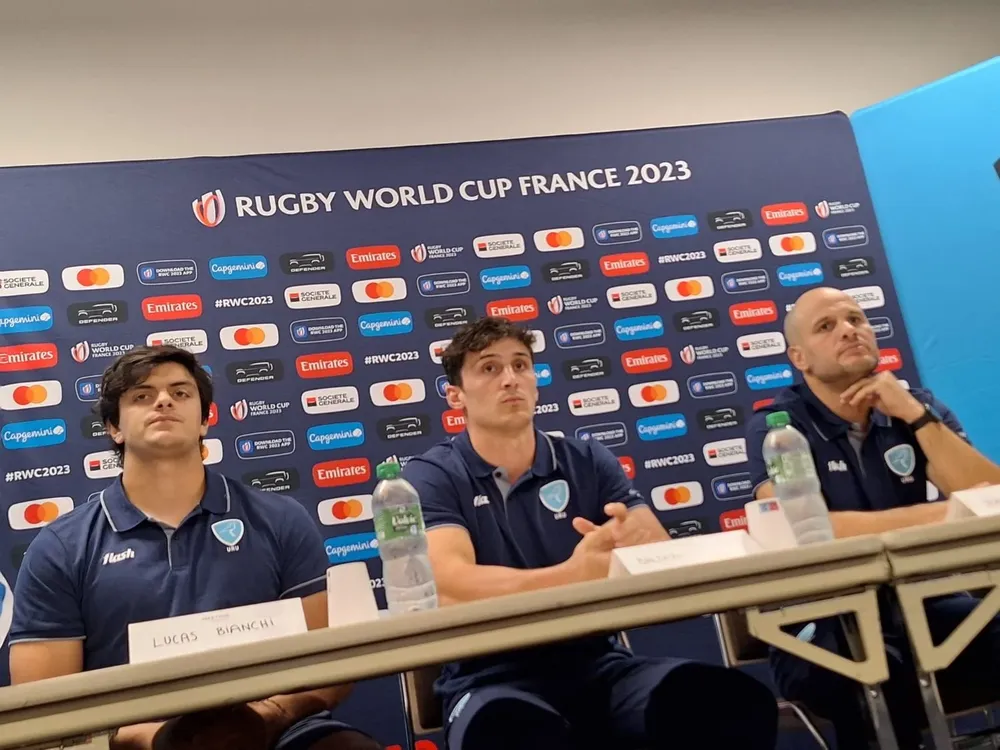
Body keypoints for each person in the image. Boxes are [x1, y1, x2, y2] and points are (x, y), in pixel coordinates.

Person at [400, 317, 779, 750]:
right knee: (515, 734)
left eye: (521, 365)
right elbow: (447, 585)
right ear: (455, 397)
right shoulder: (431, 476)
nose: (511, 379)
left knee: (726, 705)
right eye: (489, 368)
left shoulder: (585, 458)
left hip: (598, 666)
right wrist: (574, 573)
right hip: (488, 679)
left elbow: (659, 556)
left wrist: (633, 552)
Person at [9, 345, 381, 750]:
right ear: (114, 428)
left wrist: (269, 715)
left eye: (181, 393)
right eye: (141, 395)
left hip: (273, 730)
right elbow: (42, 710)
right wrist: (156, 739)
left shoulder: (279, 518)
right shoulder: (61, 547)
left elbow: (328, 665)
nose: (164, 400)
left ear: (204, 421)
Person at [745, 286, 1000, 748]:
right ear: (799, 358)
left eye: (856, 320)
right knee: (872, 669)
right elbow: (810, 529)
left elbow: (993, 503)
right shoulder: (778, 428)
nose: (849, 330)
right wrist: (945, 514)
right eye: (828, 326)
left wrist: (918, 419)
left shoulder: (916, 406)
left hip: (925, 602)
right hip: (820, 617)